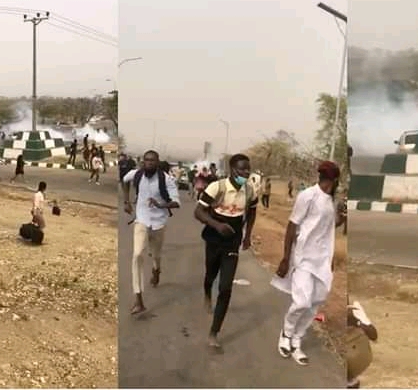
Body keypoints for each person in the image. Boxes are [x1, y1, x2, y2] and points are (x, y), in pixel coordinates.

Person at [272, 161, 341, 365]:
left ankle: (297, 340)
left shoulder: (332, 200)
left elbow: (328, 227)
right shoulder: (307, 195)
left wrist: (342, 219)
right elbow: (292, 226)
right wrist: (286, 258)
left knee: (316, 302)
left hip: (322, 258)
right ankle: (286, 332)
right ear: (334, 179)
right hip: (303, 256)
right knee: (302, 301)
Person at [194, 153, 258, 349]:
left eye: (248, 169)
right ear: (232, 170)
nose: (245, 173)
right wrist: (216, 225)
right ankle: (206, 292)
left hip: (232, 242)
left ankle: (214, 332)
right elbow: (198, 211)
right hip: (214, 238)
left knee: (226, 287)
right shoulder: (217, 187)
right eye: (241, 169)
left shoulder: (249, 190)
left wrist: (247, 236)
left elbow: (253, 210)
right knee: (210, 275)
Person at [122, 150, 180, 315]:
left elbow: (176, 202)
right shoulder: (137, 174)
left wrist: (161, 205)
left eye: (152, 161)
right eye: (146, 160)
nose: (148, 163)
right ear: (143, 162)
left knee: (155, 254)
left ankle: (156, 269)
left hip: (158, 223)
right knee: (137, 254)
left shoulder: (166, 180)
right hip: (141, 220)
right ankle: (138, 299)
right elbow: (124, 181)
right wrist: (126, 201)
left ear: (157, 162)